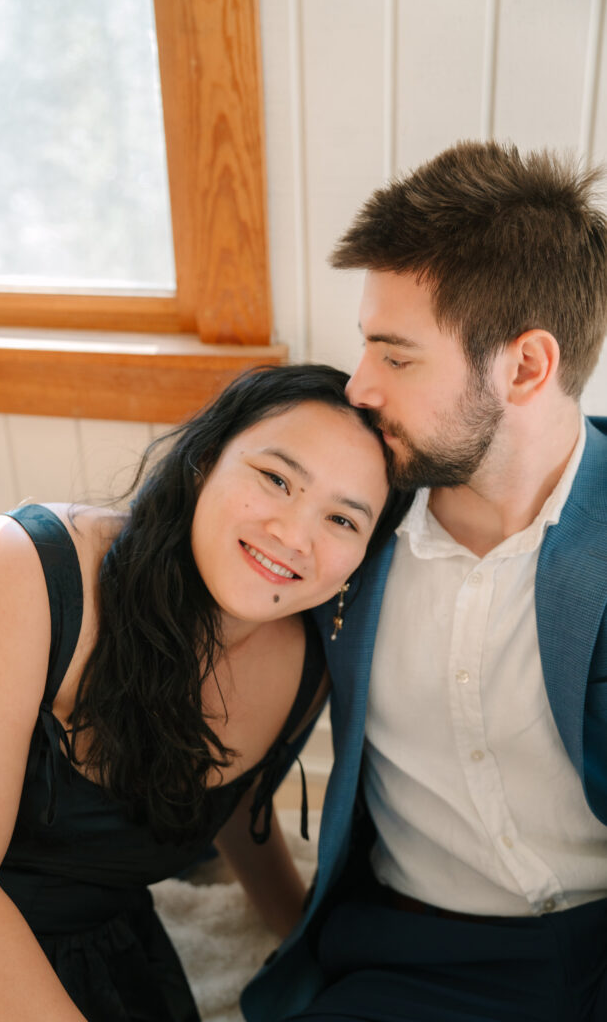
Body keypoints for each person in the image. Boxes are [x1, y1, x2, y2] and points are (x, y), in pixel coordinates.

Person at [241, 141, 607, 1022]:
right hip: (416, 957)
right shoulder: (339, 528)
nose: (359, 386)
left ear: (526, 367)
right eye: (366, 347)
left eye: (396, 357)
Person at [0, 363, 407, 1022]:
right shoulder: (16, 571)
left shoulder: (308, 662)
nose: (293, 535)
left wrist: (299, 935)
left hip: (106, 955)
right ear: (207, 457)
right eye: (275, 478)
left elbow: (231, 802)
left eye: (343, 520)